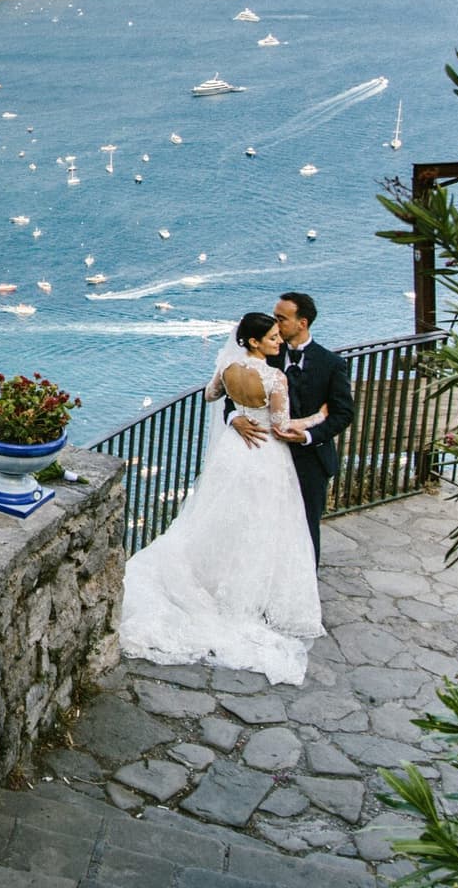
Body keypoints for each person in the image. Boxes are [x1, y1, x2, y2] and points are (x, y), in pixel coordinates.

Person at [116, 312, 325, 685]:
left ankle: (214, 580)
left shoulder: (228, 365)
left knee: (223, 517)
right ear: (254, 342)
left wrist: (235, 416)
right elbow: (281, 426)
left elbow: (211, 394)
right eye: (273, 338)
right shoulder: (274, 377)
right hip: (264, 454)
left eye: (280, 336)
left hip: (233, 450)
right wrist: (316, 417)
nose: (279, 341)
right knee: (260, 522)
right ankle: (248, 595)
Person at [231, 291, 354, 563]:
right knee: (262, 524)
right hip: (265, 455)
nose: (274, 325)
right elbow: (234, 395)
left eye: (281, 319)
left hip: (311, 461)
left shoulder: (331, 364)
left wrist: (309, 435)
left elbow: (343, 413)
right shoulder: (265, 354)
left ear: (303, 323)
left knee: (306, 528)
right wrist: (234, 419)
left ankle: (303, 589)